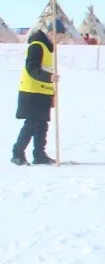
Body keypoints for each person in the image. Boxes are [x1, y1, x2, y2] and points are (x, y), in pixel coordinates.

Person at [11, 29, 56, 166]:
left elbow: (47, 69)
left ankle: (39, 155)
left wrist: (52, 94)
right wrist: (49, 77)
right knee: (32, 124)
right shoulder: (36, 46)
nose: (60, 40)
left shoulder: (48, 49)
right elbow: (32, 67)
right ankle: (17, 153)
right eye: (60, 36)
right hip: (32, 91)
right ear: (52, 32)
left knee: (42, 125)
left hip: (43, 92)